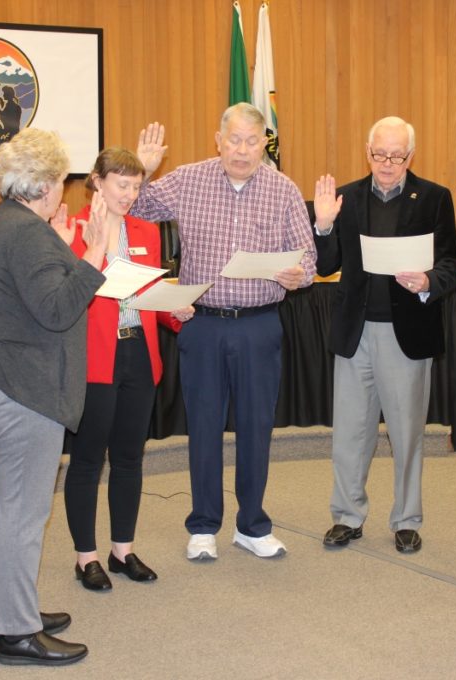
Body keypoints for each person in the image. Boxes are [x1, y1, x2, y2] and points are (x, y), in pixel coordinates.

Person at [133, 103, 317, 560]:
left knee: (257, 427)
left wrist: (298, 275)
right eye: (234, 139)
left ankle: (252, 524)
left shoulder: (283, 189)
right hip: (204, 325)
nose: (242, 150)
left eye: (252, 141)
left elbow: (308, 260)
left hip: (259, 326)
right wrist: (144, 168)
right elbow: (134, 205)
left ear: (263, 145)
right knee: (204, 426)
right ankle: (203, 525)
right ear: (218, 140)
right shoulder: (189, 179)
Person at [0, 128, 109, 666]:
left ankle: (8, 610)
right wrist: (94, 257)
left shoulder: (7, 223)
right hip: (21, 389)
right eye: (61, 183)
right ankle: (17, 635)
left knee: (8, 505)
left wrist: (65, 251)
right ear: (43, 185)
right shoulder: (29, 234)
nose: (63, 193)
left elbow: (37, 293)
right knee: (24, 511)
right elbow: (57, 310)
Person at [313, 116, 456, 554]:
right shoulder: (348, 198)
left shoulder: (433, 198)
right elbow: (325, 266)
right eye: (379, 154)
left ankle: (406, 520)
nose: (387, 163)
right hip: (355, 333)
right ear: (368, 150)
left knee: (407, 433)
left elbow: (452, 265)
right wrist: (323, 226)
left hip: (408, 334)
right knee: (350, 433)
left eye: (397, 156)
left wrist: (428, 281)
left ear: (410, 156)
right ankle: (347, 516)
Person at [64, 147, 193, 590]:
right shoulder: (71, 228)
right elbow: (67, 299)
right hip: (94, 357)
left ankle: (122, 550)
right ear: (97, 181)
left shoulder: (146, 230)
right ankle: (87, 557)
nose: (131, 195)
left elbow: (150, 291)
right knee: (86, 460)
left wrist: (176, 311)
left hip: (139, 352)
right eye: (123, 185)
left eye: (137, 187)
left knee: (128, 458)